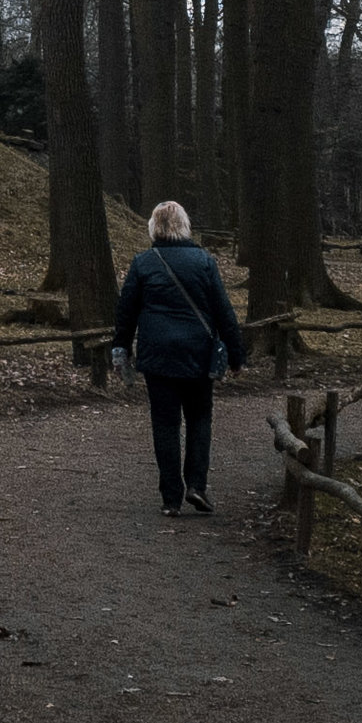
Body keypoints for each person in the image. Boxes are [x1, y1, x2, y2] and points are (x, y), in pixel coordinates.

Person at [111, 201, 247, 516]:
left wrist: (121, 350)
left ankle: (171, 498)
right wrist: (237, 355)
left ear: (153, 227)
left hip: (158, 356)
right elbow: (223, 311)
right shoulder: (204, 262)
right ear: (184, 226)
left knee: (165, 423)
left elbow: (126, 312)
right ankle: (196, 485)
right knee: (199, 418)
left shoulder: (143, 263)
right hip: (197, 354)